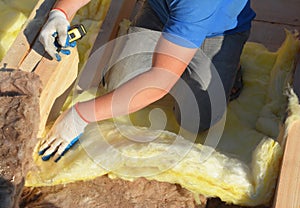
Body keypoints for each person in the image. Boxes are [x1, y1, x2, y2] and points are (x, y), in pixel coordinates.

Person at [38, 0, 256, 162]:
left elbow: (161, 80)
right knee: (119, 86)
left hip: (218, 30)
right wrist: (61, 13)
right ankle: (173, 53)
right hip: (162, 13)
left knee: (197, 118)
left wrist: (81, 115)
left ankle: (226, 63)